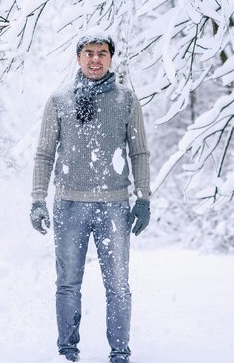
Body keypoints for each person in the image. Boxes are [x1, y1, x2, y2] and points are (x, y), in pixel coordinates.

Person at [30, 32, 151, 363]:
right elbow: (44, 154)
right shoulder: (59, 100)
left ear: (111, 58)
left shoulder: (126, 99)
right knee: (67, 285)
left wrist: (143, 197)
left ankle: (120, 355)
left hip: (114, 205)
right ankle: (67, 353)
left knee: (119, 287)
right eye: (88, 52)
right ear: (78, 57)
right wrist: (38, 199)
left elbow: (139, 151)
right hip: (69, 204)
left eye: (102, 53)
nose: (95, 58)